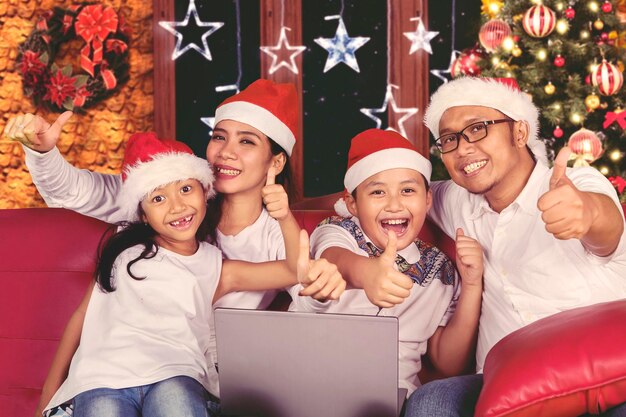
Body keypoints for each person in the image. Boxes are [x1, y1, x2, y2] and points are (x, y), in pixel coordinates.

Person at [5, 79, 345, 416]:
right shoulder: (166, 192)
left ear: (275, 162)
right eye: (219, 137)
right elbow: (75, 192)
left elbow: (303, 286)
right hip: (112, 376)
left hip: (195, 379)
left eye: (246, 141)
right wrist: (43, 152)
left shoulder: (259, 238)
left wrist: (294, 228)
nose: (227, 152)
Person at [42, 132, 322, 417]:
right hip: (102, 378)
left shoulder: (216, 266)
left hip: (175, 374)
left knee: (177, 402)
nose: (177, 207)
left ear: (205, 191)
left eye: (186, 189)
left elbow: (290, 270)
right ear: (143, 214)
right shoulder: (123, 247)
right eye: (159, 198)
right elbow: (80, 319)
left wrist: (284, 217)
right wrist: (48, 399)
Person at [402, 77, 626, 416]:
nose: (463, 148)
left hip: (601, 378)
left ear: (519, 133)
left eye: (477, 129)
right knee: (430, 404)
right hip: (502, 387)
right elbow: (388, 188)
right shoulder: (455, 200)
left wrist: (586, 213)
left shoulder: (577, 183)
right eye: (450, 139)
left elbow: (606, 224)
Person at [289, 128, 484, 400]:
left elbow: (447, 362)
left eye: (407, 190)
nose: (394, 204)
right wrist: (368, 274)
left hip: (393, 399)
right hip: (316, 388)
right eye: (378, 192)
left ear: (427, 200)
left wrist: (473, 285)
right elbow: (335, 258)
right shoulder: (337, 231)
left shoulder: (441, 270)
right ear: (352, 204)